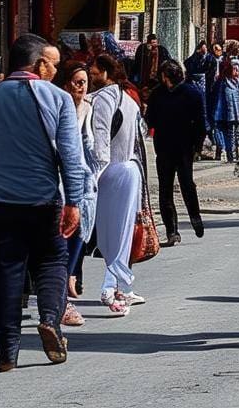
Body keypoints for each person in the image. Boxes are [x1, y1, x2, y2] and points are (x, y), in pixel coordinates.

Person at [0, 34, 85, 369]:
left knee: (6, 272)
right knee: (51, 262)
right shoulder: (58, 98)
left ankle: (6, 352)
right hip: (42, 199)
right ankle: (50, 319)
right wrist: (73, 201)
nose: (55, 70)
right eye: (54, 64)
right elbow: (70, 157)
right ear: (38, 64)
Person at [91, 52, 145, 316]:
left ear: (104, 71)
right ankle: (117, 284)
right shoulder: (129, 99)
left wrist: (94, 174)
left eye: (93, 68)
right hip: (129, 169)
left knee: (109, 232)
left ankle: (112, 285)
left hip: (111, 170)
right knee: (120, 233)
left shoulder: (103, 99)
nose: (90, 74)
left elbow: (101, 140)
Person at [144, 60, 207, 244]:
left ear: (165, 76)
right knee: (166, 189)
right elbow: (151, 120)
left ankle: (195, 217)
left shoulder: (191, 93)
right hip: (165, 148)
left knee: (186, 184)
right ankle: (172, 231)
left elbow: (200, 124)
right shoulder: (158, 94)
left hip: (183, 148)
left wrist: (197, 146)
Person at [57, 63, 99, 328]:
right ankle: (58, 295)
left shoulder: (87, 108)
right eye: (77, 82)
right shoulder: (56, 106)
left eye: (85, 82)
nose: (82, 87)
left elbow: (88, 143)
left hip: (79, 179)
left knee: (80, 230)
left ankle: (69, 278)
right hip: (55, 180)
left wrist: (94, 174)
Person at [211, 58, 239, 163]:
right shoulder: (226, 82)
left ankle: (230, 153)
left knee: (228, 133)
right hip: (227, 113)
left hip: (228, 114)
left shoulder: (235, 82)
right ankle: (229, 153)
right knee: (228, 134)